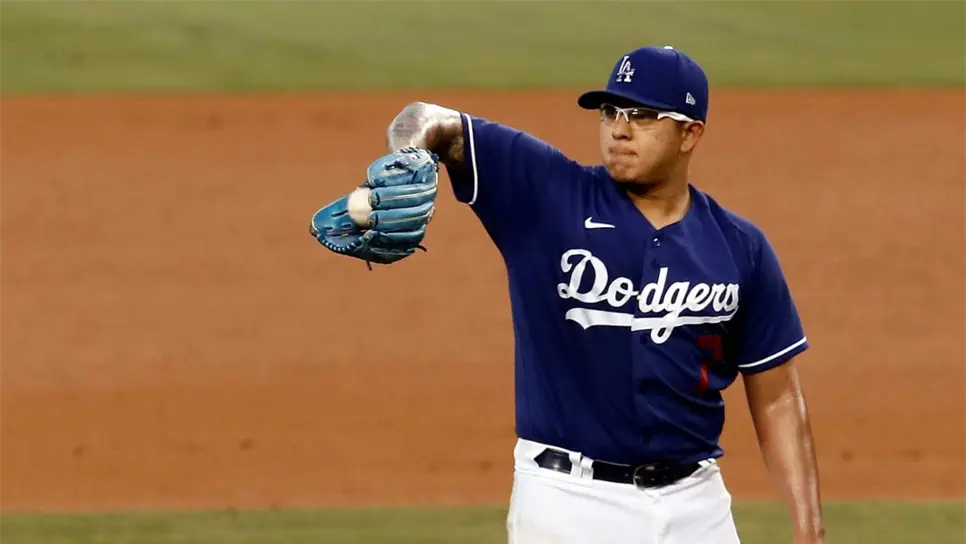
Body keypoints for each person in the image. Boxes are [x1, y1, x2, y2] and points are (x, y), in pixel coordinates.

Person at [313, 45, 825, 543]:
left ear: (690, 133)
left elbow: (777, 394)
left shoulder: (739, 247)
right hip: (568, 504)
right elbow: (429, 120)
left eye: (642, 116)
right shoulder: (547, 194)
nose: (619, 129)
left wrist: (809, 530)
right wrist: (409, 152)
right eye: (610, 112)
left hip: (698, 505)